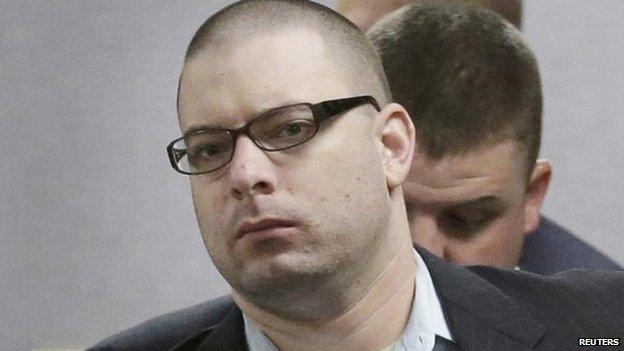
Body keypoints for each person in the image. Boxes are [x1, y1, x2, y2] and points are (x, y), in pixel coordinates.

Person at [90, 1, 624, 350]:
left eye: (290, 128)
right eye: (209, 149)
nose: (245, 173)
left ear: (390, 146)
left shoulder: (600, 328)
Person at [345, 0, 622, 273]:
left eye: (465, 220)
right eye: (390, 212)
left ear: (532, 197)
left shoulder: (601, 314)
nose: (423, 257)